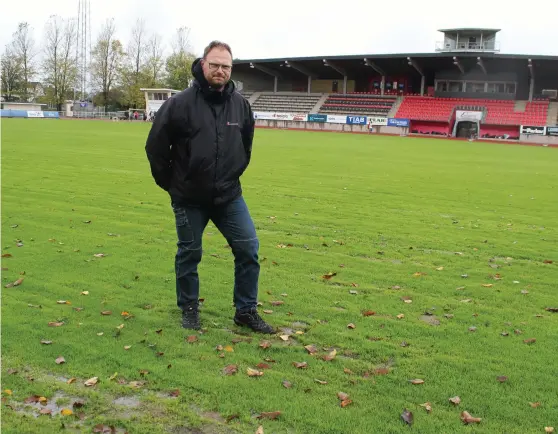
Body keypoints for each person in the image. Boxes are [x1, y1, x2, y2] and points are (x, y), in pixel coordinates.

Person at [145, 41, 274, 334]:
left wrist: (231, 175)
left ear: (231, 69)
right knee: (189, 253)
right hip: (189, 198)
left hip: (229, 196)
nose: (219, 70)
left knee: (248, 250)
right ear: (203, 64)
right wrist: (173, 185)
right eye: (214, 64)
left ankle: (246, 311)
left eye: (225, 66)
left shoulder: (240, 105)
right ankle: (189, 309)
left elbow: (246, 147)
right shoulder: (178, 104)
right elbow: (155, 149)